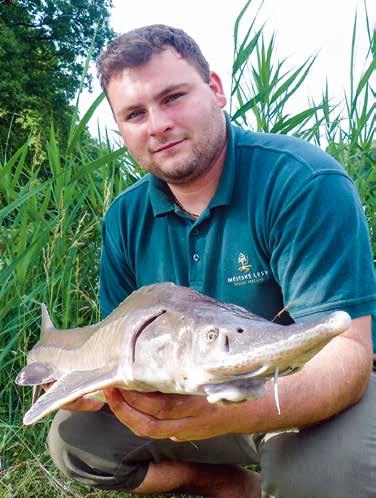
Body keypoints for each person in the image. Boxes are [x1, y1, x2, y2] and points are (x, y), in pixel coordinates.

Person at [47, 25, 376, 498]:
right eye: (135, 114)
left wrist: (232, 414)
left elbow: (347, 354)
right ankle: (223, 484)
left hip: (299, 393)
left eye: (173, 97)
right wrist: (92, 388)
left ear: (216, 90)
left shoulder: (302, 181)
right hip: (185, 393)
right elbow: (118, 345)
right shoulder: (125, 217)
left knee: (326, 479)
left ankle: (293, 468)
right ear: (121, 129)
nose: (157, 124)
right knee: (73, 441)